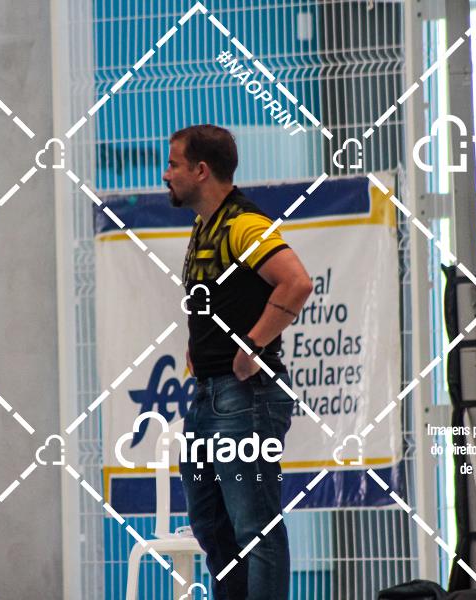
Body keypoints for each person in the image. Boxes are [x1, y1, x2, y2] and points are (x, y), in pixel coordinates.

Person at [163, 124, 313, 600]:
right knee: (211, 524)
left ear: (201, 171)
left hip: (245, 397)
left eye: (173, 164)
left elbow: (297, 283)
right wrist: (199, 345)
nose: (166, 174)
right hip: (208, 395)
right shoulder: (204, 226)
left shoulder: (243, 225)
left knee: (255, 527)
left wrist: (252, 346)